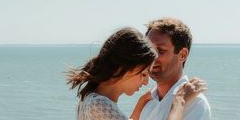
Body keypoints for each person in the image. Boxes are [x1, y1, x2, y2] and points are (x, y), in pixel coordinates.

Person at [67, 27, 206, 120]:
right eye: (144, 74)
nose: (146, 82)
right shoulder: (99, 105)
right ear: (126, 67)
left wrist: (139, 106)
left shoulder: (89, 98)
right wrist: (179, 101)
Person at [138, 18, 211, 120]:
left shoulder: (195, 103)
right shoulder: (147, 101)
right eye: (149, 49)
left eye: (161, 50)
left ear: (182, 55)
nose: (152, 56)